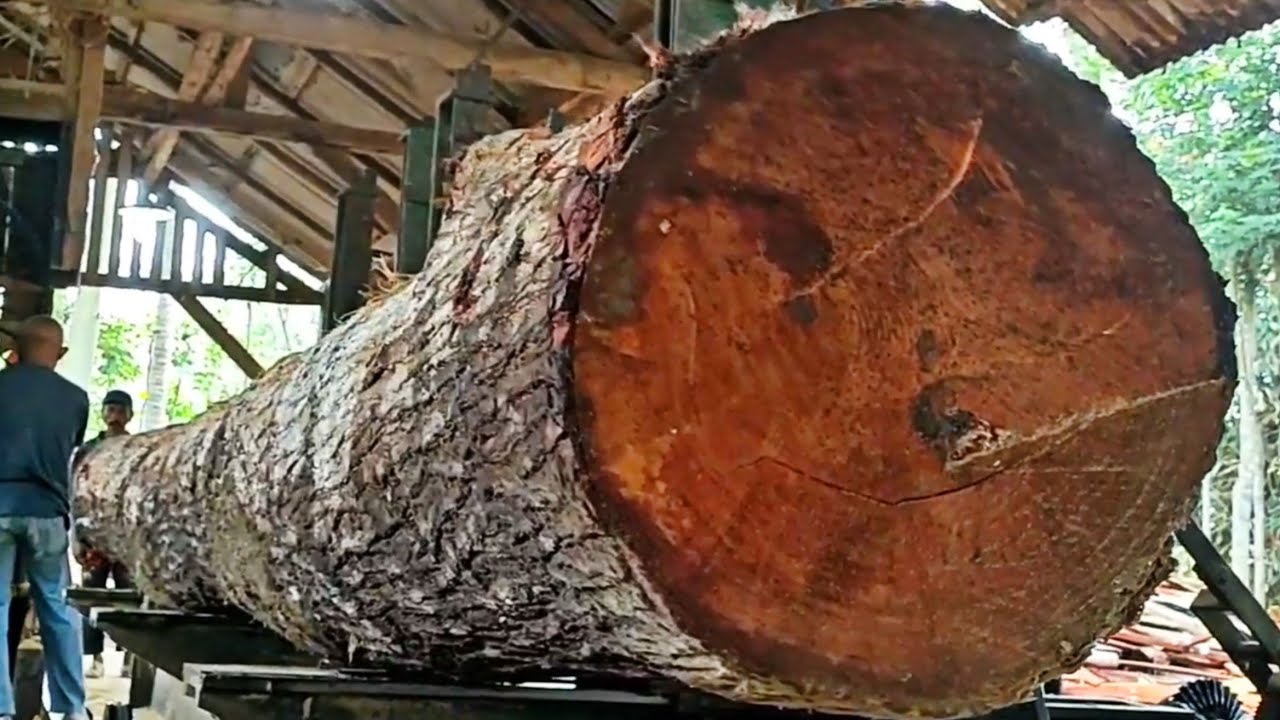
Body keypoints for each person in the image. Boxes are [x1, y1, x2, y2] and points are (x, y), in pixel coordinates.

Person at [0, 316, 89, 720]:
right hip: (49, 514)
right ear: (61, 352)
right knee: (58, 609)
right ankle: (70, 709)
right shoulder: (76, 399)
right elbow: (70, 453)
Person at [74, 390, 134, 680]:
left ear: (129, 414)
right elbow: (75, 491)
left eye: (120, 409)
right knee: (92, 595)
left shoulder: (137, 448)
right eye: (110, 408)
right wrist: (76, 534)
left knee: (128, 596)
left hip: (124, 535)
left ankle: (127, 657)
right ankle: (94, 657)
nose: (115, 414)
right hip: (94, 532)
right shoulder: (88, 450)